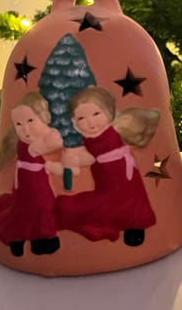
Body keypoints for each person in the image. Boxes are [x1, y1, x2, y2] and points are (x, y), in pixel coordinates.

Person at [55, 86, 159, 246]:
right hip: (108, 188)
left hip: (124, 183)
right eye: (81, 118)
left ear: (109, 113)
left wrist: (74, 159)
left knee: (130, 202)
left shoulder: (110, 134)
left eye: (96, 114)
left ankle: (135, 226)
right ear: (74, 122)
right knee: (109, 205)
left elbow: (92, 156)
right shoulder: (90, 139)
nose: (90, 122)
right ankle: (130, 225)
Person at [0, 92, 62, 257]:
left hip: (36, 181)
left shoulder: (30, 143)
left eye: (30, 121)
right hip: (30, 185)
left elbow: (44, 160)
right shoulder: (27, 145)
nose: (25, 128)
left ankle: (36, 239)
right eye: (19, 124)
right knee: (34, 208)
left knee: (40, 208)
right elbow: (48, 146)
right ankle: (25, 238)